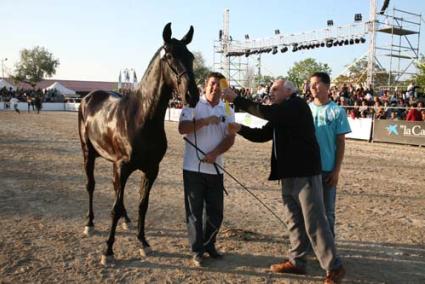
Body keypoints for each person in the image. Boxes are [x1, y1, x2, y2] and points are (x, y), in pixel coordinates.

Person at [223, 79, 345, 284]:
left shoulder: (295, 106)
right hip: (288, 174)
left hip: (304, 173)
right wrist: (240, 128)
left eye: (275, 90)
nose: (271, 93)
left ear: (289, 92)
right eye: (270, 90)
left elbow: (266, 113)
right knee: (295, 221)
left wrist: (238, 99)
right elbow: (263, 134)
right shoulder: (282, 112)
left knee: (314, 221)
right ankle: (297, 261)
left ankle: (335, 267)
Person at [178, 72, 236, 267]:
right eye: (212, 84)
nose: (215, 88)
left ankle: (209, 245)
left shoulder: (227, 108)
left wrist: (214, 154)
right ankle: (197, 250)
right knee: (194, 211)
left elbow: (230, 137)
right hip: (193, 168)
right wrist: (205, 121)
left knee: (216, 212)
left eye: (219, 85)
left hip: (216, 168)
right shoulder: (192, 103)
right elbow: (182, 128)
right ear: (205, 85)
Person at [309, 72, 351, 237]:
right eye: (310, 83)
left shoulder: (337, 111)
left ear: (327, 86)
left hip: (327, 169)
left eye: (316, 83)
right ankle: (312, 244)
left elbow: (341, 142)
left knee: (328, 211)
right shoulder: (306, 109)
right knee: (309, 209)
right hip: (308, 169)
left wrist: (336, 170)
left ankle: (328, 246)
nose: (312, 87)